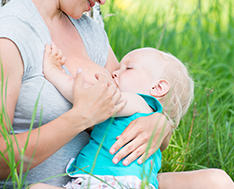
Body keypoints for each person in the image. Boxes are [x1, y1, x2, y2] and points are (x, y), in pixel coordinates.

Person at [0, 0, 234, 189]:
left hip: (114, 182)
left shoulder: (89, 31)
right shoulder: (9, 38)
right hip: (52, 186)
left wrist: (160, 124)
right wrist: (78, 118)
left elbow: (134, 103)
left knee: (215, 181)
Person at [31, 43, 194, 189]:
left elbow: (88, 96)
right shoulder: (140, 114)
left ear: (158, 87)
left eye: (128, 68)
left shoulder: (139, 102)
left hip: (112, 181)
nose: (115, 73)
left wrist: (53, 72)